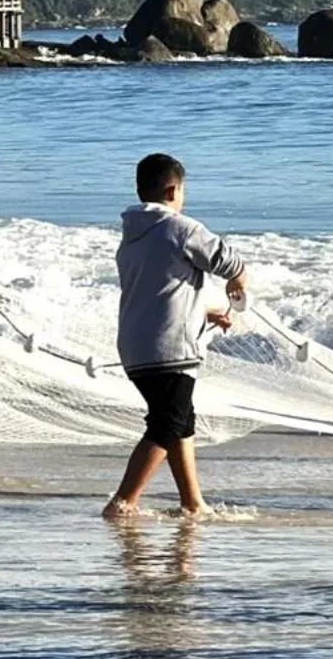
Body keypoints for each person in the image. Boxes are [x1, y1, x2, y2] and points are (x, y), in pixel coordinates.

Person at [104, 153, 248, 519]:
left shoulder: (131, 236)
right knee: (167, 423)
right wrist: (239, 283)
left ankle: (192, 502)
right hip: (170, 348)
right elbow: (230, 262)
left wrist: (204, 312)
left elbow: (158, 291)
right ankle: (123, 502)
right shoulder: (182, 228)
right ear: (172, 191)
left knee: (181, 420)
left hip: (136, 347)